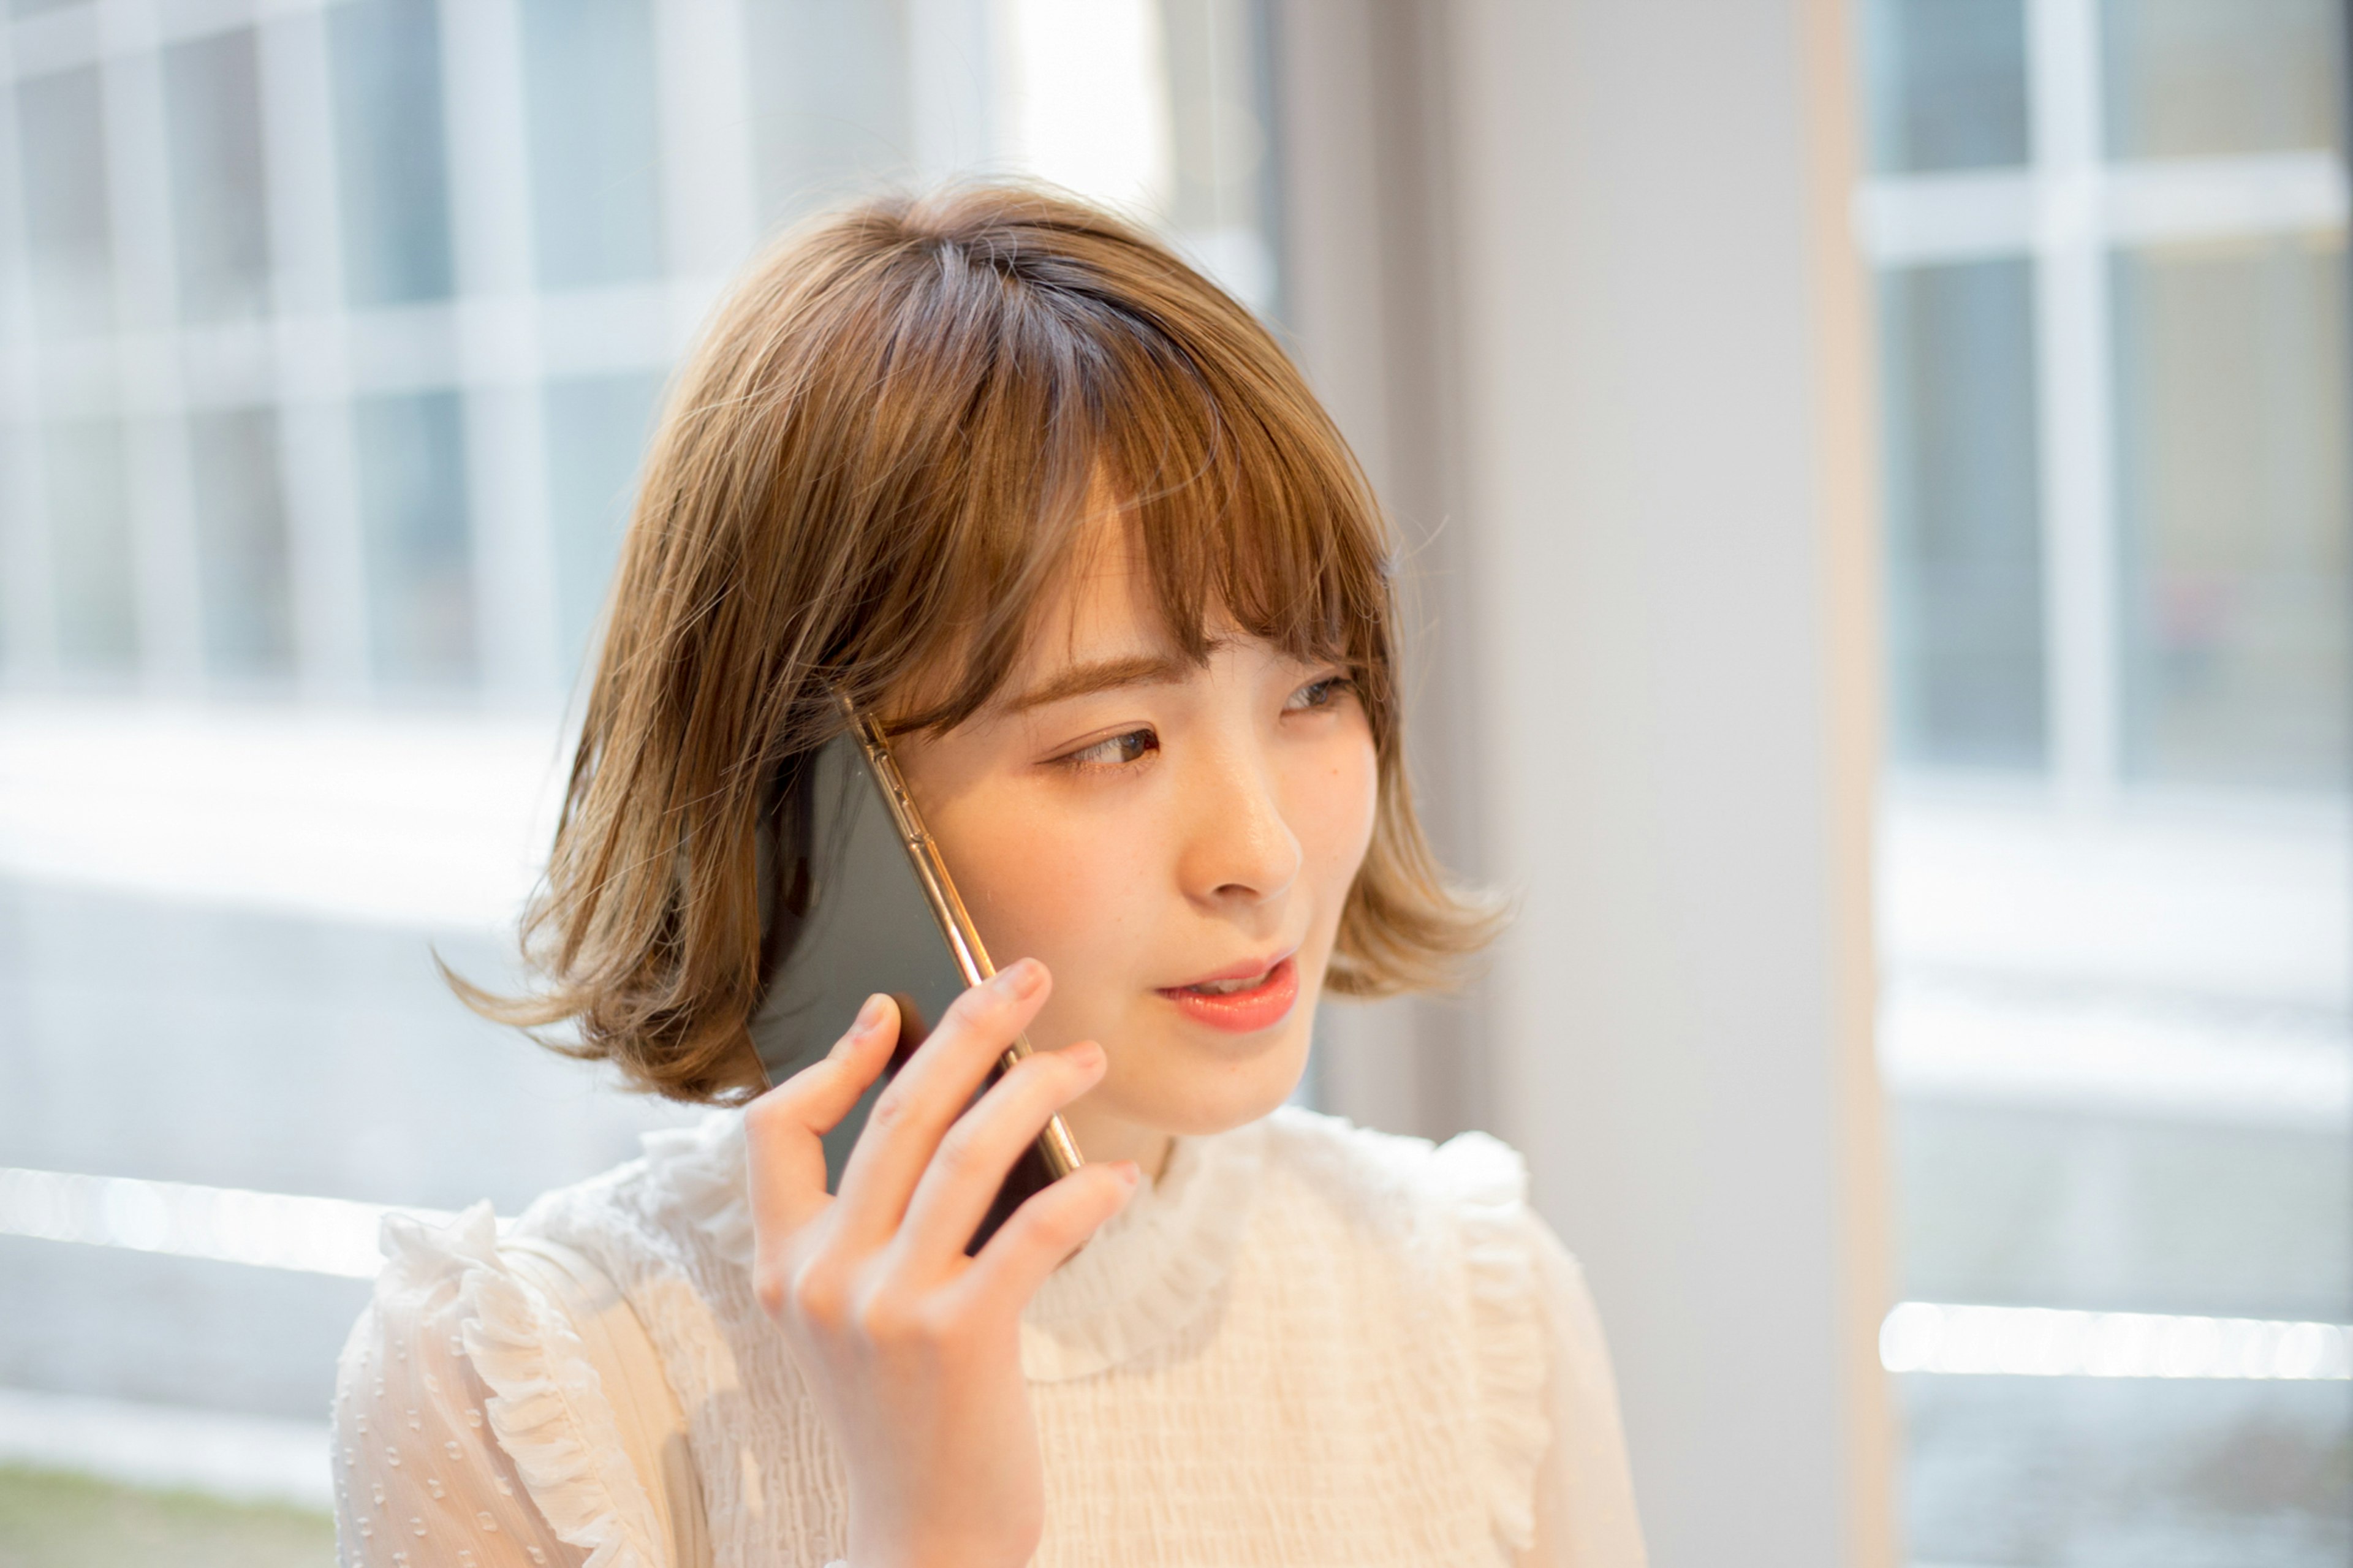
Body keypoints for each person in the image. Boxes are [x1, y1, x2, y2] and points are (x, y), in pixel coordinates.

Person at [331, 183, 1646, 1568]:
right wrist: (930, 1535)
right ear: (816, 806)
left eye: (1315, 689)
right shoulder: (518, 1381)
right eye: (1114, 741)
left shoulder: (1474, 1301)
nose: (1263, 853)